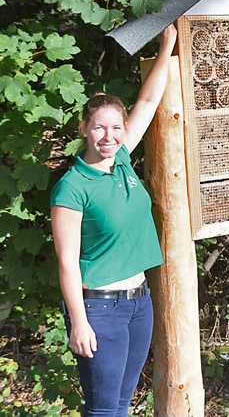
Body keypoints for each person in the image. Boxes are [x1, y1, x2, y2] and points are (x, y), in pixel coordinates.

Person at [50, 25, 177, 417]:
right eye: (100, 127)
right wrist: (79, 323)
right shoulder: (71, 187)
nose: (109, 135)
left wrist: (167, 44)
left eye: (116, 127)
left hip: (139, 303)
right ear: (85, 129)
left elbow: (149, 98)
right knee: (104, 410)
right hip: (99, 310)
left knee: (121, 404)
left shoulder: (121, 159)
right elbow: (68, 263)